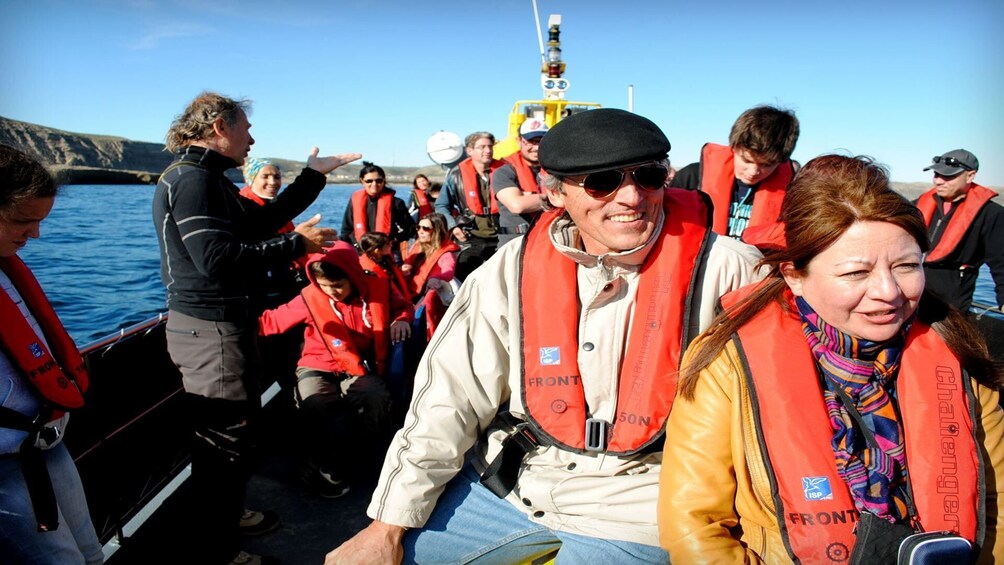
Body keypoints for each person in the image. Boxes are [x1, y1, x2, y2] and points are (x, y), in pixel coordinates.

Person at [326, 109, 764, 564]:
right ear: (555, 192)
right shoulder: (508, 272)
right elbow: (449, 401)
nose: (632, 197)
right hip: (509, 484)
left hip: (642, 507)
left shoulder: (732, 272)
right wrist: (387, 526)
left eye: (650, 176)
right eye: (602, 182)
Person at [658, 154, 1004, 563]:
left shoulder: (958, 351)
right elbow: (695, 521)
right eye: (855, 273)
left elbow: (995, 501)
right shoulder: (727, 360)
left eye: (907, 266)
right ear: (794, 275)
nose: (888, 292)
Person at [152, 91, 360, 565]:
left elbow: (261, 221)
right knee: (225, 442)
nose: (252, 138)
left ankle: (227, 515)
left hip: (217, 329)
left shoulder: (204, 178)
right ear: (220, 127)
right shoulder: (193, 182)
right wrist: (295, 246)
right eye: (245, 128)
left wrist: (313, 176)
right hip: (211, 332)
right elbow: (215, 260)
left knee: (232, 436)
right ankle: (221, 551)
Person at [0, 145, 103, 564]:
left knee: (91, 556)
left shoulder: (6, 267)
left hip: (44, 442)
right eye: (23, 221)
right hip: (5, 466)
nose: (35, 235)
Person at [258, 242, 413, 499]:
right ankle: (320, 463)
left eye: (338, 285)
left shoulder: (378, 287)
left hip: (360, 365)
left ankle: (373, 455)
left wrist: (402, 319)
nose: (333, 293)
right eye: (325, 287)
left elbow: (404, 306)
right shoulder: (309, 298)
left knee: (373, 397)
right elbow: (271, 322)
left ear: (353, 276)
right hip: (318, 364)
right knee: (313, 401)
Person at [670, 105, 799, 243]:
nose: (753, 171)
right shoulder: (690, 177)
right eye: (747, 160)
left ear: (781, 161)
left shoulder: (792, 191)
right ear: (734, 146)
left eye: (767, 165)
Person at [915, 149, 1004, 312]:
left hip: (949, 305)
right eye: (936, 174)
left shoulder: (991, 215)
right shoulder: (916, 206)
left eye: (948, 176)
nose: (938, 181)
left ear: (970, 176)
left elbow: (1001, 263)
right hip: (912, 296)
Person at [434, 131, 505, 281]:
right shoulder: (455, 175)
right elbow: (441, 205)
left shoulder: (505, 171)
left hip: (502, 235)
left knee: (500, 281)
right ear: (469, 151)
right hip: (470, 237)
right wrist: (453, 226)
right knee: (465, 279)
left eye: (490, 146)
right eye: (482, 147)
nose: (488, 150)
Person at [402, 213, 459, 341]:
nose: (420, 232)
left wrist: (436, 277)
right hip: (410, 297)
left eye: (425, 229)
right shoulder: (417, 248)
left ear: (437, 231)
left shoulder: (446, 254)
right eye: (418, 227)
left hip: (426, 300)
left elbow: (448, 270)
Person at [492, 118, 549, 246]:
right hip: (515, 243)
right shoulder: (504, 173)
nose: (536, 147)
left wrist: (531, 198)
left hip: (548, 240)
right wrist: (557, 198)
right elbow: (517, 205)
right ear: (519, 141)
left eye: (541, 141)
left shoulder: (556, 170)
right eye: (531, 141)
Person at [340, 162, 415, 256]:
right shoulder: (354, 201)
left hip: (387, 253)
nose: (374, 184)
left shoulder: (396, 203)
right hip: (360, 253)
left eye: (378, 180)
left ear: (384, 181)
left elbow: (410, 229)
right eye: (369, 181)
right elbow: (346, 231)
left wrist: (393, 242)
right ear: (362, 181)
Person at [358, 231, 412, 303]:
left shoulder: (386, 259)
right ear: (377, 251)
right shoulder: (368, 271)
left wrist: (402, 271)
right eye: (388, 244)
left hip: (402, 299)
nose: (391, 245)